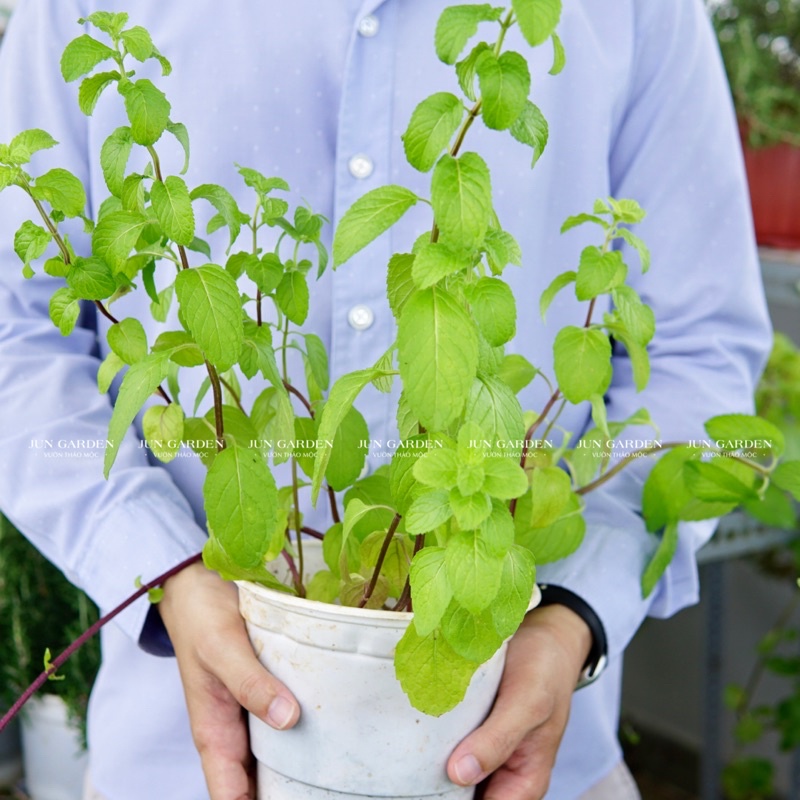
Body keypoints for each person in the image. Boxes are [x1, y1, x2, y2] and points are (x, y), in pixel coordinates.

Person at [0, 1, 771, 799]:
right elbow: (15, 335)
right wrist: (161, 566)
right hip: (179, 765)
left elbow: (699, 346)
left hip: (525, 757)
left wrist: (577, 607)